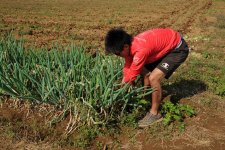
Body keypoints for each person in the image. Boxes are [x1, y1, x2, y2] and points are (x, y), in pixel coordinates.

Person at [104, 28, 189, 127]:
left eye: (118, 53)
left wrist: (120, 91)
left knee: (154, 78)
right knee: (144, 71)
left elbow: (132, 75)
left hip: (177, 48)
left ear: (125, 46)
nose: (118, 56)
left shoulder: (141, 49)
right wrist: (122, 83)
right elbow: (128, 67)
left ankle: (155, 114)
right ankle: (146, 98)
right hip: (164, 46)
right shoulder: (130, 46)